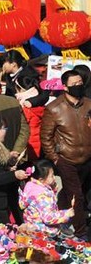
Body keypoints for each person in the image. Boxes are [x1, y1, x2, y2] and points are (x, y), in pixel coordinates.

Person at [39, 69, 91, 239]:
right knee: (77, 196)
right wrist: (56, 159)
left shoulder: (88, 104)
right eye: (74, 84)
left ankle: (58, 216)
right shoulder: (54, 108)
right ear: (65, 87)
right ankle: (81, 232)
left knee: (71, 191)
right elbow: (45, 138)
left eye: (80, 83)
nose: (78, 86)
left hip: (87, 158)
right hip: (66, 159)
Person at [19, 159, 75, 237]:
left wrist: (52, 189)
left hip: (33, 227)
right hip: (44, 233)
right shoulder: (42, 196)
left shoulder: (30, 185)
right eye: (51, 176)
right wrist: (66, 213)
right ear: (41, 179)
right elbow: (48, 218)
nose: (54, 177)